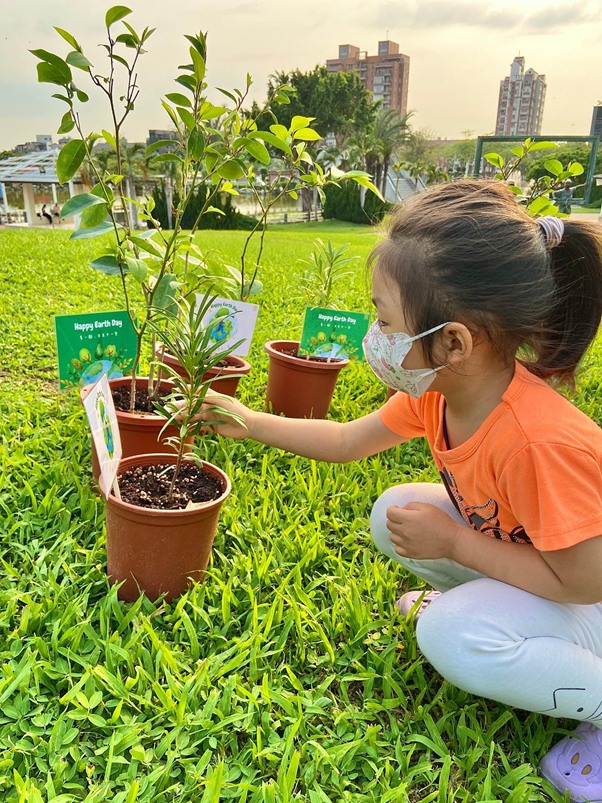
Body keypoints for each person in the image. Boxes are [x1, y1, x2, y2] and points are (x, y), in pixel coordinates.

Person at [199, 179, 602, 801]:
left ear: (454, 341)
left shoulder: (537, 442)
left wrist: (455, 546)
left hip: (591, 602)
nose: (375, 333)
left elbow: (584, 582)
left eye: (385, 319)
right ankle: (499, 617)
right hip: (550, 572)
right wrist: (245, 421)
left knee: (450, 636)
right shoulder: (444, 392)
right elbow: (344, 442)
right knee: (395, 511)